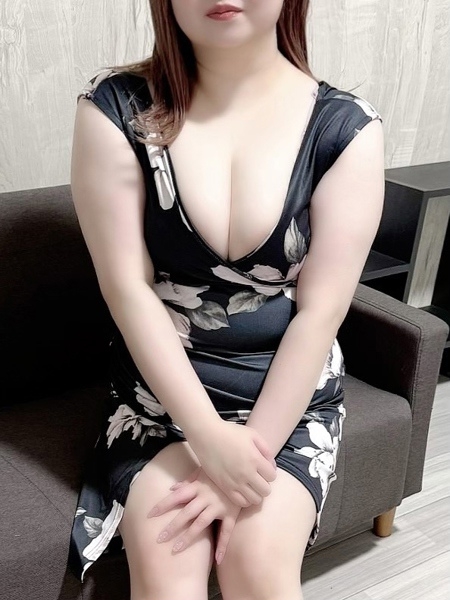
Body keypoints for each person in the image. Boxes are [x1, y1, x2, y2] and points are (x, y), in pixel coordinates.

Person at [69, 1, 384, 598]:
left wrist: (241, 466)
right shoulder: (115, 108)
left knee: (257, 564)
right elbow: (127, 289)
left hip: (286, 404)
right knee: (168, 566)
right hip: (161, 403)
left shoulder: (346, 128)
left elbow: (320, 313)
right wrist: (209, 439)